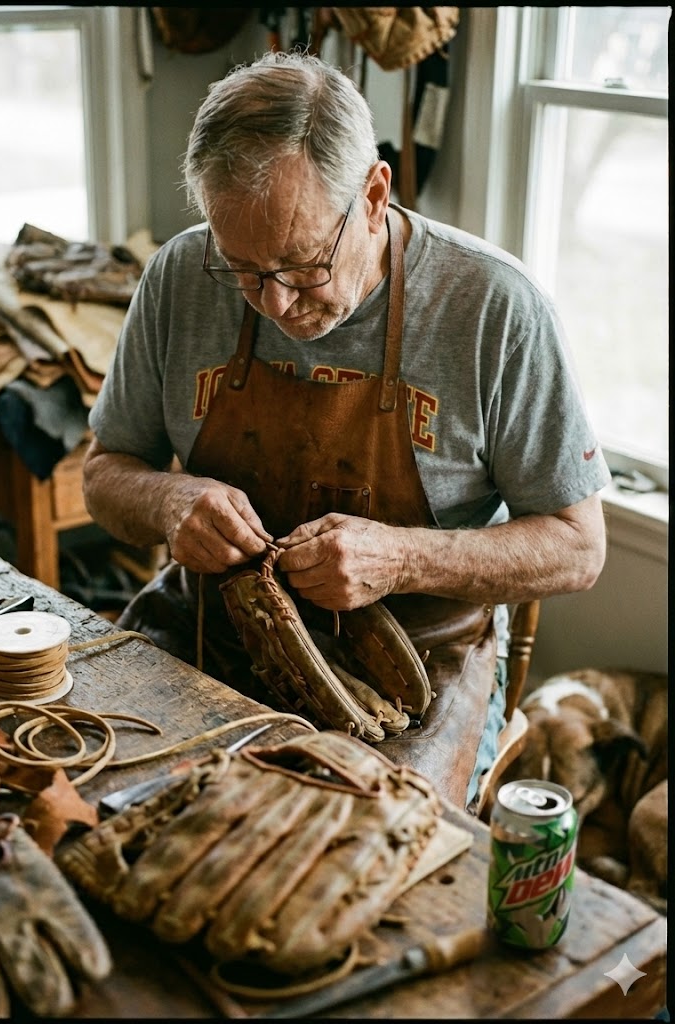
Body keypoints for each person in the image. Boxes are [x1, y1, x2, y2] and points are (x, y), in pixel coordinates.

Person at [83, 50, 609, 810]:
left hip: (410, 671)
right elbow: (104, 475)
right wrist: (167, 502)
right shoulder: (179, 275)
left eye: (300, 265)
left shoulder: (492, 307)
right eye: (241, 267)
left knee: (340, 858)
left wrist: (399, 558)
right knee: (87, 781)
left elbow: (578, 546)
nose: (273, 303)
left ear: (372, 193)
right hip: (212, 632)